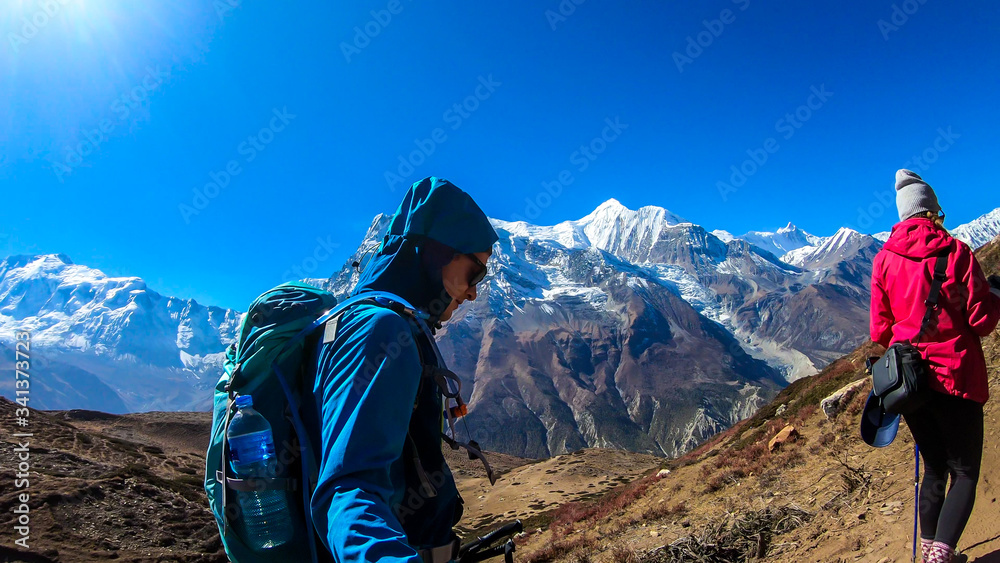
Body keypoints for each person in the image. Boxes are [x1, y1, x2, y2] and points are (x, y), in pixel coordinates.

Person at [302, 177, 498, 563]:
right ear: (438, 252)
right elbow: (349, 490)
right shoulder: (381, 329)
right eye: (475, 273)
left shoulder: (367, 319)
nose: (474, 292)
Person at [870, 169, 1000, 563]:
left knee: (935, 470)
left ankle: (930, 549)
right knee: (965, 473)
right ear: (932, 210)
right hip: (956, 377)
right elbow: (983, 321)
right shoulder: (956, 253)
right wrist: (994, 292)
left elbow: (880, 329)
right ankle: (941, 556)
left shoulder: (883, 259)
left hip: (911, 382)